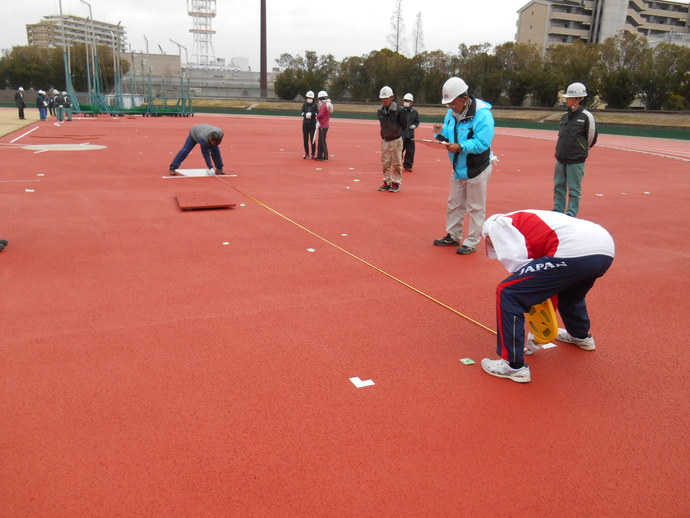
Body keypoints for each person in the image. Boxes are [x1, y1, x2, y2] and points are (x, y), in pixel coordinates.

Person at [479, 209, 615, 383]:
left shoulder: (497, 225)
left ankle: (513, 366)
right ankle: (580, 336)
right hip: (604, 250)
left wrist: (538, 332)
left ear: (488, 236)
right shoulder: (529, 218)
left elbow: (519, 266)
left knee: (509, 292)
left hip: (573, 251)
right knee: (570, 292)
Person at [432, 77, 495, 255]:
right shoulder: (451, 113)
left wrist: (460, 147)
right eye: (448, 104)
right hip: (458, 166)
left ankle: (472, 241)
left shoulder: (483, 114)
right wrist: (440, 133)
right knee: (454, 203)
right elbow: (449, 133)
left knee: (475, 206)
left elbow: (482, 143)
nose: (450, 107)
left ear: (464, 99)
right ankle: (453, 235)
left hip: (477, 167)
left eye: (452, 103)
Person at [553, 82, 597, 217]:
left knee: (574, 189)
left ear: (578, 99)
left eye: (569, 98)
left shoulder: (586, 117)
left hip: (576, 159)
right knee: (558, 186)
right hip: (561, 157)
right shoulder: (565, 116)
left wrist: (581, 149)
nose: (566, 100)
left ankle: (571, 213)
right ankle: (558, 210)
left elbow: (591, 137)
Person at [376, 86, 407, 193]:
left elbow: (404, 125)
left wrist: (400, 137)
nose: (384, 100)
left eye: (386, 98)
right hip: (385, 139)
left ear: (391, 98)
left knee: (397, 162)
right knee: (385, 162)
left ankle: (396, 182)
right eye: (382, 99)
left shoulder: (399, 111)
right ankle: (387, 181)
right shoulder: (380, 111)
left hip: (396, 139)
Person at [401, 93, 419, 172]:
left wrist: (415, 125)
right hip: (401, 135)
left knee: (410, 151)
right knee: (399, 150)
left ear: (411, 102)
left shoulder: (414, 112)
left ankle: (407, 166)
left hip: (410, 135)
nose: (405, 102)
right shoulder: (400, 111)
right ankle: (396, 164)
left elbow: (417, 121)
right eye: (404, 101)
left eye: (407, 101)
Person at [314, 90, 332, 161]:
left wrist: (316, 117)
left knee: (322, 141)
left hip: (323, 126)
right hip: (324, 125)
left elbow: (321, 115)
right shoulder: (327, 105)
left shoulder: (323, 106)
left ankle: (324, 155)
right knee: (321, 141)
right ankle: (320, 155)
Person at [301, 90, 318, 159]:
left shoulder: (315, 105)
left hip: (312, 124)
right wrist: (305, 115)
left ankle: (313, 153)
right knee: (305, 139)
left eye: (311, 98)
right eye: (308, 98)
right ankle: (306, 153)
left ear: (313, 99)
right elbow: (302, 112)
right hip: (305, 124)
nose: (309, 99)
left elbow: (317, 113)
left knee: (312, 139)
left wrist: (312, 114)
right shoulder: (304, 105)